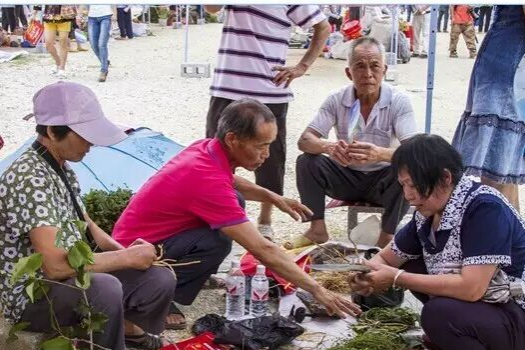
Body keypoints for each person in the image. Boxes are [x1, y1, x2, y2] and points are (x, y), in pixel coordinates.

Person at [113, 99, 361, 329]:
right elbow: (263, 249)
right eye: (260, 146)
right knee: (220, 238)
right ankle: (161, 295)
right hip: (133, 257)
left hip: (146, 239)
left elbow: (230, 180)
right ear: (232, 139)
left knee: (235, 203)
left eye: (269, 145)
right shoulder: (207, 180)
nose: (266, 154)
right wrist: (318, 290)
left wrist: (273, 197)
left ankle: (192, 277)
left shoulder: (207, 148)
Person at [349, 134, 525, 350]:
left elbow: (472, 289)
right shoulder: (426, 214)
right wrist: (369, 274)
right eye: (403, 185)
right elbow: (388, 259)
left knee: (437, 314)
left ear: (445, 178)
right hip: (493, 302)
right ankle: (458, 338)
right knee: (415, 264)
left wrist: (397, 278)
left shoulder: (484, 208)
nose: (408, 195)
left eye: (414, 185)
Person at [0, 82, 176, 350]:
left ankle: (125, 329)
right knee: (104, 288)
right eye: (84, 136)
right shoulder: (29, 178)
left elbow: (85, 223)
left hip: (67, 280)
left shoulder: (62, 168)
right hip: (33, 297)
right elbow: (55, 267)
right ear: (52, 132)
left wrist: (127, 254)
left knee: (159, 277)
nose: (91, 144)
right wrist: (123, 258)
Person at [204, 5, 330, 241]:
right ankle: (226, 214)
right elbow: (211, 8)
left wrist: (301, 66)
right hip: (227, 86)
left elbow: (323, 27)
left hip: (269, 90)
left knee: (269, 160)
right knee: (215, 157)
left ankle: (265, 219)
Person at [290, 37, 417, 250]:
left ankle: (386, 236)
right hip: (346, 177)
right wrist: (329, 147)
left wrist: (381, 154)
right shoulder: (337, 99)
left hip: (383, 182)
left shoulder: (398, 101)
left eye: (374, 66)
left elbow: (415, 151)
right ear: (349, 73)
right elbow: (305, 139)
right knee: (307, 161)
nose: (368, 74)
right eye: (360, 66)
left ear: (384, 70)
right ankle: (317, 229)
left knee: (407, 168)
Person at [451, 6, 525, 210]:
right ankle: (499, 238)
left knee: (504, 176)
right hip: (509, 74)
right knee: (498, 179)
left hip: (507, 67)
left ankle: (510, 239)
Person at [35, 5, 77, 78]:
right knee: (48, 44)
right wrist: (34, 13)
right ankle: (58, 63)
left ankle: (62, 68)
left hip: (65, 16)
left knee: (63, 42)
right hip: (49, 17)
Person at [86, 5, 114, 82]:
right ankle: (105, 62)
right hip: (92, 17)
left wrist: (115, 14)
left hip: (106, 16)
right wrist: (79, 14)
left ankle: (103, 70)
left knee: (102, 44)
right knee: (93, 45)